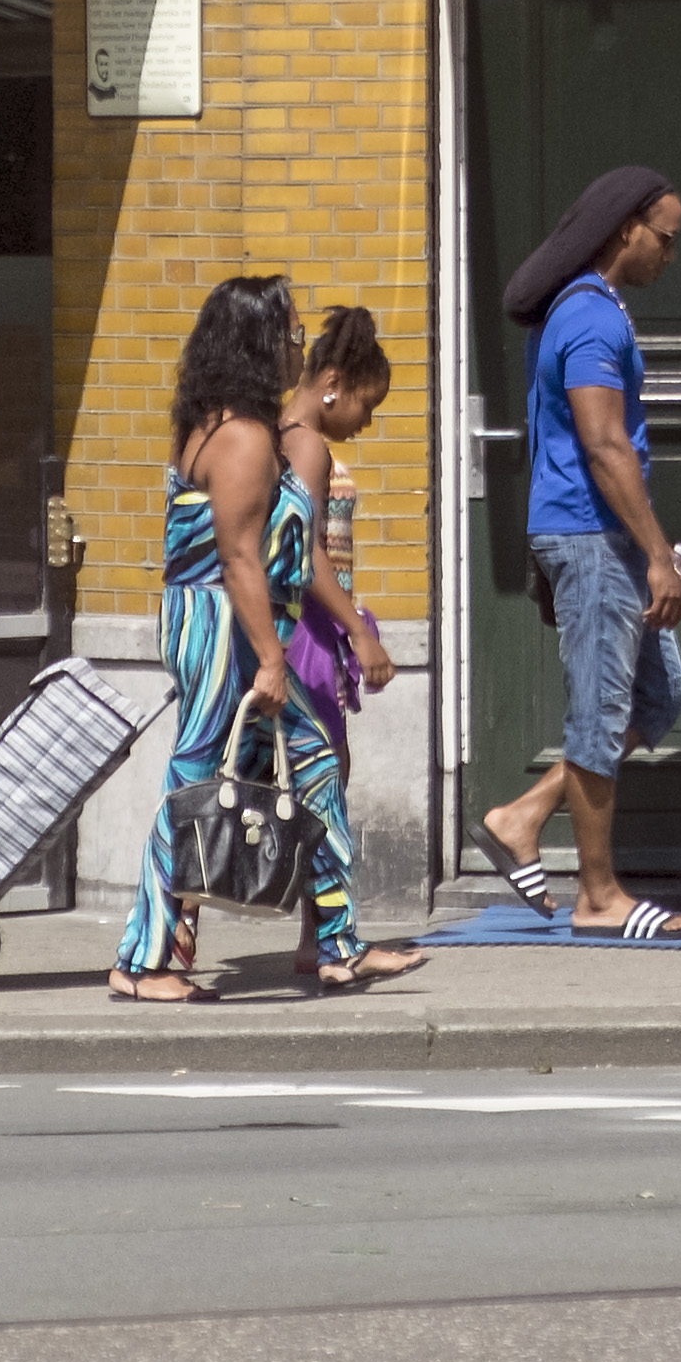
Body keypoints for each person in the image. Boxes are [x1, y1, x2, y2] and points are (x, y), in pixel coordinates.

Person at [110, 275, 392, 1001]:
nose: (296, 347)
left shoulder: (228, 425)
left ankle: (337, 944)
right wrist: (272, 656)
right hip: (222, 627)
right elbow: (240, 557)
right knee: (197, 780)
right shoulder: (237, 436)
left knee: (317, 771)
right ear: (256, 342)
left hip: (239, 623)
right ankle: (144, 959)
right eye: (290, 335)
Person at [474, 166, 681, 941]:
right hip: (589, 533)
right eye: (666, 238)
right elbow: (604, 444)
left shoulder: (596, 310)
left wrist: (653, 549)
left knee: (657, 697)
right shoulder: (589, 320)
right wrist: (657, 556)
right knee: (600, 714)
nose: (672, 253)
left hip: (604, 535)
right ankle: (598, 896)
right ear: (625, 228)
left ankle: (523, 815)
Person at [276, 305, 417, 988]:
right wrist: (357, 632)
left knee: (319, 784)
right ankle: (331, 943)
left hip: (306, 629)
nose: (367, 419)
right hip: (306, 631)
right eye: (366, 402)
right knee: (324, 781)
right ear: (333, 381)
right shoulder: (306, 443)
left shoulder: (290, 435)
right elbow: (302, 556)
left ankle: (322, 938)